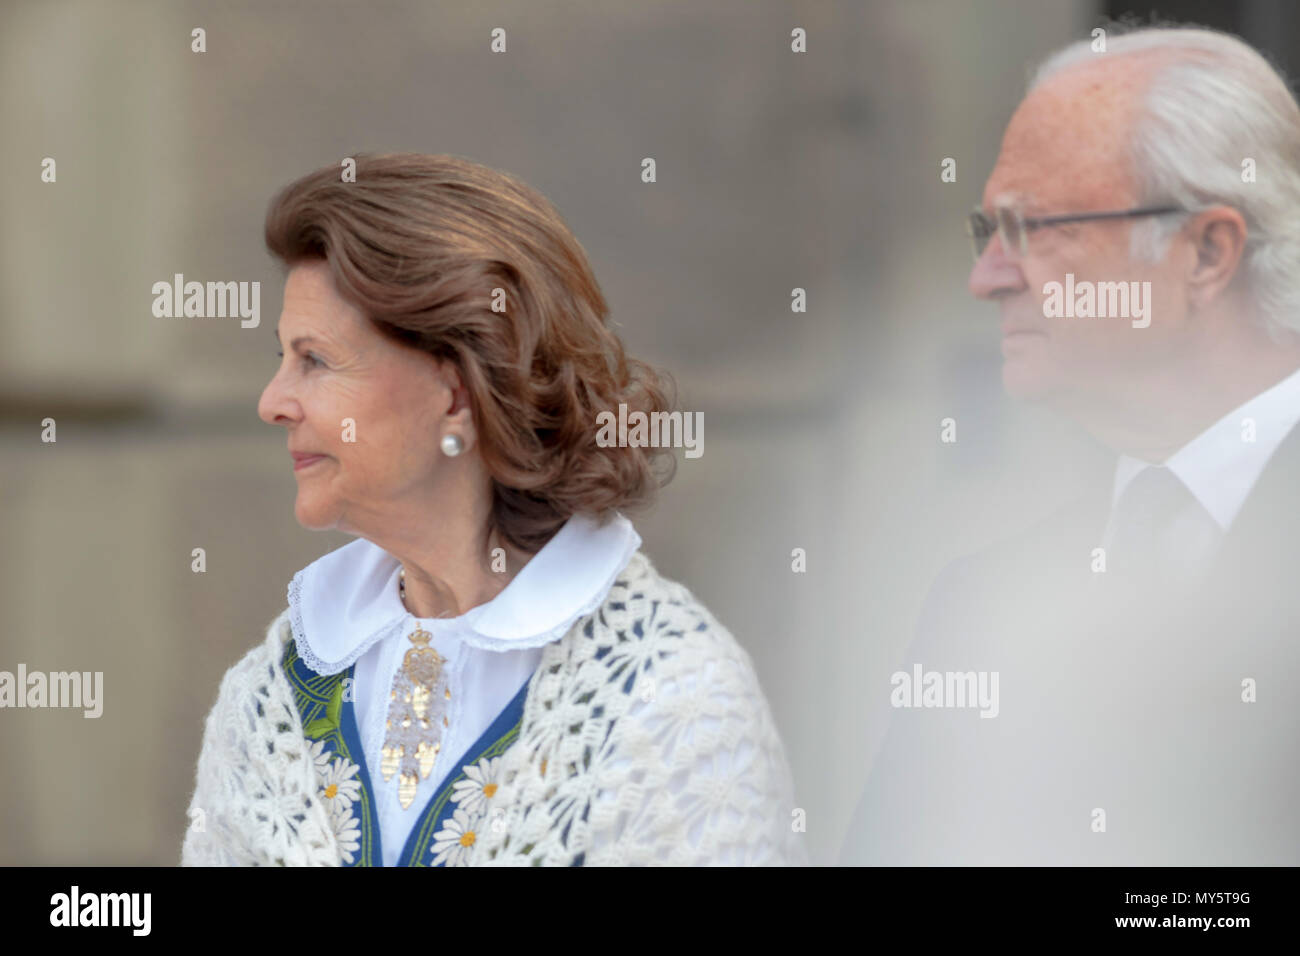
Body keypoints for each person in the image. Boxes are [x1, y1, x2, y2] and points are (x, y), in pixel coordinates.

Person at [181, 152, 804, 866]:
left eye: (314, 360)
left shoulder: (672, 698)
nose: (272, 402)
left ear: (455, 392)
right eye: (281, 358)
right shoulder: (272, 696)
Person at [843, 24, 1300, 865]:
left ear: (1206, 251)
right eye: (991, 233)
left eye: (1039, 229)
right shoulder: (979, 602)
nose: (987, 280)